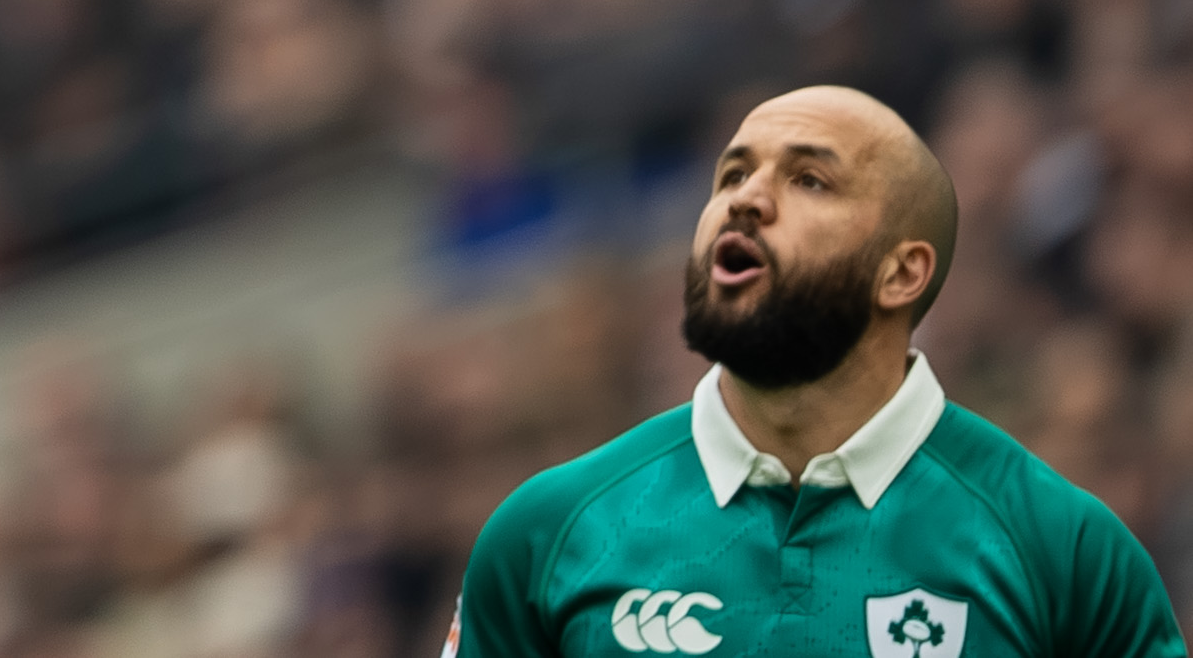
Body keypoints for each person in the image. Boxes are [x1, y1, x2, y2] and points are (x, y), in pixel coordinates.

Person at [449, 87, 1186, 658]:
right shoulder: (547, 534)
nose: (746, 197)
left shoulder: (1062, 547)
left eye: (808, 180)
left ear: (901, 272)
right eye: (732, 174)